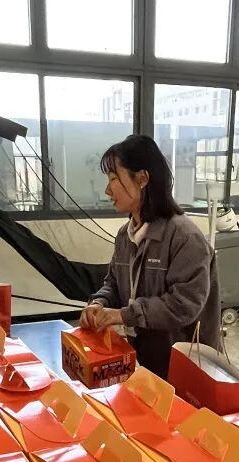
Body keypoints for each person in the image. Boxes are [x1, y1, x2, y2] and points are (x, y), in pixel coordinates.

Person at [81, 134, 220, 378]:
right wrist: (99, 304)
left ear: (142, 179)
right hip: (144, 360)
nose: (107, 189)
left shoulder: (184, 237)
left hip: (184, 368)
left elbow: (184, 304)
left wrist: (123, 315)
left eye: (113, 178)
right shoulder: (125, 236)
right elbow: (113, 284)